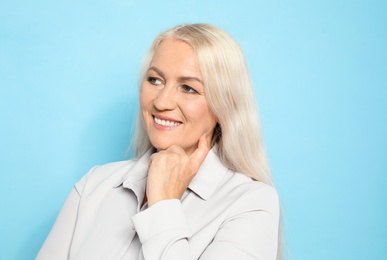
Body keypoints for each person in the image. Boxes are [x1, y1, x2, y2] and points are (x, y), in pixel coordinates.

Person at [37, 23, 281, 260]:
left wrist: (163, 204)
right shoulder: (93, 186)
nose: (162, 102)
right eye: (155, 80)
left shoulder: (251, 202)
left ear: (224, 105)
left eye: (188, 88)